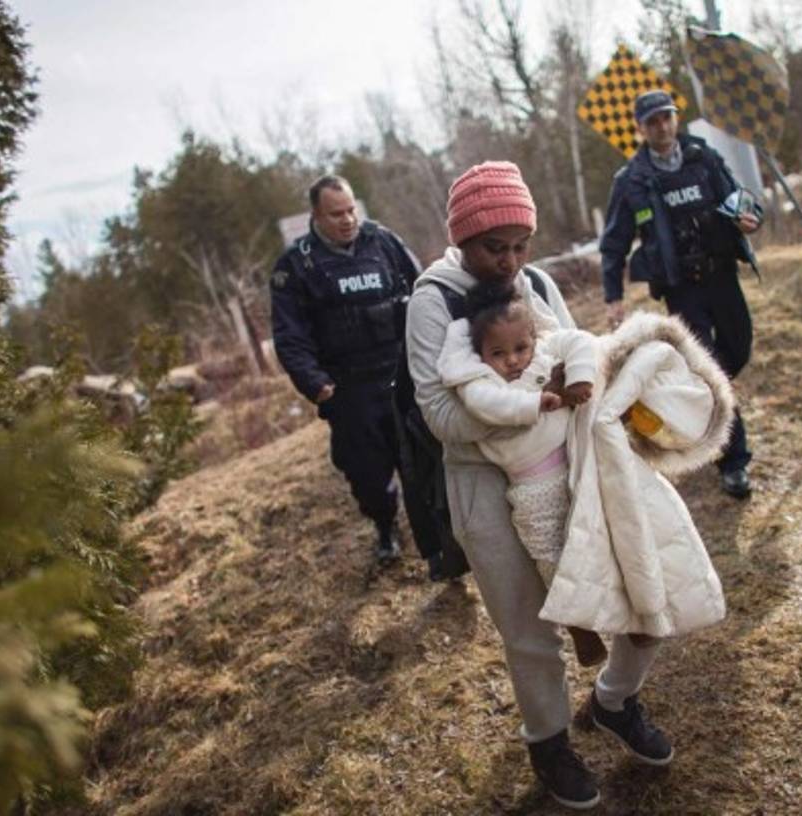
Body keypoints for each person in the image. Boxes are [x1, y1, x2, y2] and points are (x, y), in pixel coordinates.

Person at [407, 161, 730, 810]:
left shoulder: (535, 283)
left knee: (634, 582)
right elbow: (439, 414)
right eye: (494, 247)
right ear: (462, 239)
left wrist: (611, 381)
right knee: (530, 627)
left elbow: (573, 351)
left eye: (520, 245)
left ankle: (614, 700)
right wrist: (530, 407)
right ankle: (548, 741)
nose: (509, 261)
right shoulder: (432, 300)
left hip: (569, 462)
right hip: (483, 480)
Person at [599, 89, 763, 499]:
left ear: (675, 118)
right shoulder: (631, 181)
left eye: (667, 117)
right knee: (712, 368)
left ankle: (694, 398)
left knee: (738, 348)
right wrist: (612, 296)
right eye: (652, 121)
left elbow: (738, 200)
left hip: (722, 276)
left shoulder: (703, 158)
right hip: (681, 289)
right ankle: (734, 462)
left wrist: (749, 219)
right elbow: (614, 243)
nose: (662, 126)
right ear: (640, 128)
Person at [437, 280, 608, 668]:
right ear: (481, 354)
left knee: (597, 534)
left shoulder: (544, 351)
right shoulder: (481, 380)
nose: (513, 361)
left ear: (533, 339)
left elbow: (581, 341)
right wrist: (533, 403)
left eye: (520, 348)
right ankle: (581, 628)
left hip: (578, 462)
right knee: (549, 553)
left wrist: (580, 378)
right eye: (498, 353)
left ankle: (619, 605)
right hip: (531, 483)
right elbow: (486, 404)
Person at [269, 175, 419, 565]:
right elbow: (289, 336)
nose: (348, 219)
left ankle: (437, 539)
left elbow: (422, 293)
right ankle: (385, 526)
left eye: (352, 210)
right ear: (316, 215)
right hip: (349, 390)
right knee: (367, 474)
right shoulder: (296, 265)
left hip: (401, 375)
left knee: (420, 461)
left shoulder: (383, 242)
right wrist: (316, 385)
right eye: (337, 214)